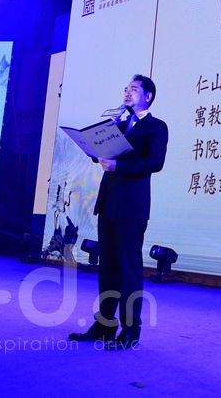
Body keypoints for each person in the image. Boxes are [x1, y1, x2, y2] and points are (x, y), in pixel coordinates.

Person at [70, 74, 168, 350]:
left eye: (133, 89)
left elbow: (155, 162)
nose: (127, 92)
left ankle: (131, 330)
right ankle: (104, 325)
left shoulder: (156, 127)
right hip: (109, 203)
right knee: (108, 267)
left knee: (128, 268)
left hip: (132, 207)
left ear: (148, 96)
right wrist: (93, 144)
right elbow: (101, 155)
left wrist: (119, 166)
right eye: (125, 89)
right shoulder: (120, 123)